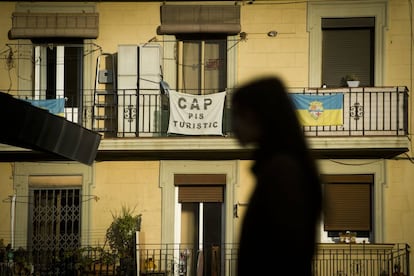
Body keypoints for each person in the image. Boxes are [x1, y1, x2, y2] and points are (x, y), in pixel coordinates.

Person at [231, 76, 322, 276]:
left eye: (237, 114)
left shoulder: (281, 172)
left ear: (255, 116)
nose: (232, 124)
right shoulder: (280, 167)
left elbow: (285, 253)